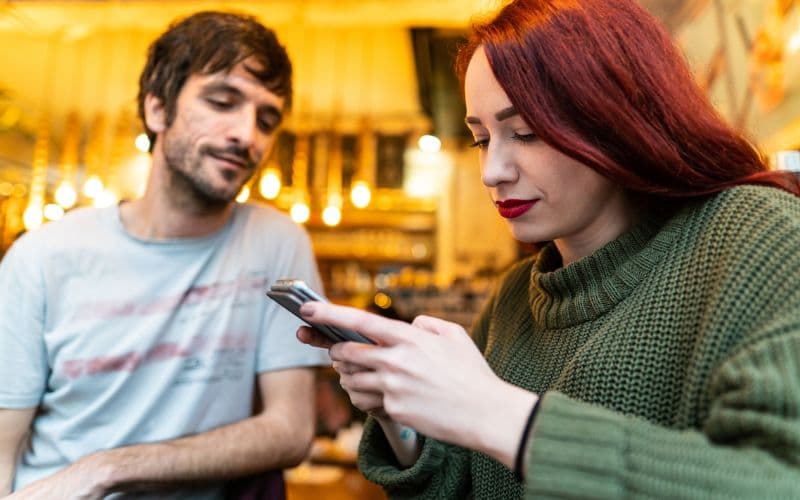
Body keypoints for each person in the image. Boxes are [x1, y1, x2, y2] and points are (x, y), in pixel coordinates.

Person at [296, 0, 800, 498]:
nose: (492, 172)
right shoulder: (516, 298)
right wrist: (401, 414)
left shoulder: (756, 233)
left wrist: (492, 412)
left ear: (620, 119)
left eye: (525, 133)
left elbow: (778, 480)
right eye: (480, 139)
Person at [0, 11, 328, 499]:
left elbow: (291, 430)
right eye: (222, 102)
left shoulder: (277, 243)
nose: (248, 135)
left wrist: (106, 468)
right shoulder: (42, 257)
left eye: (267, 118)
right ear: (157, 109)